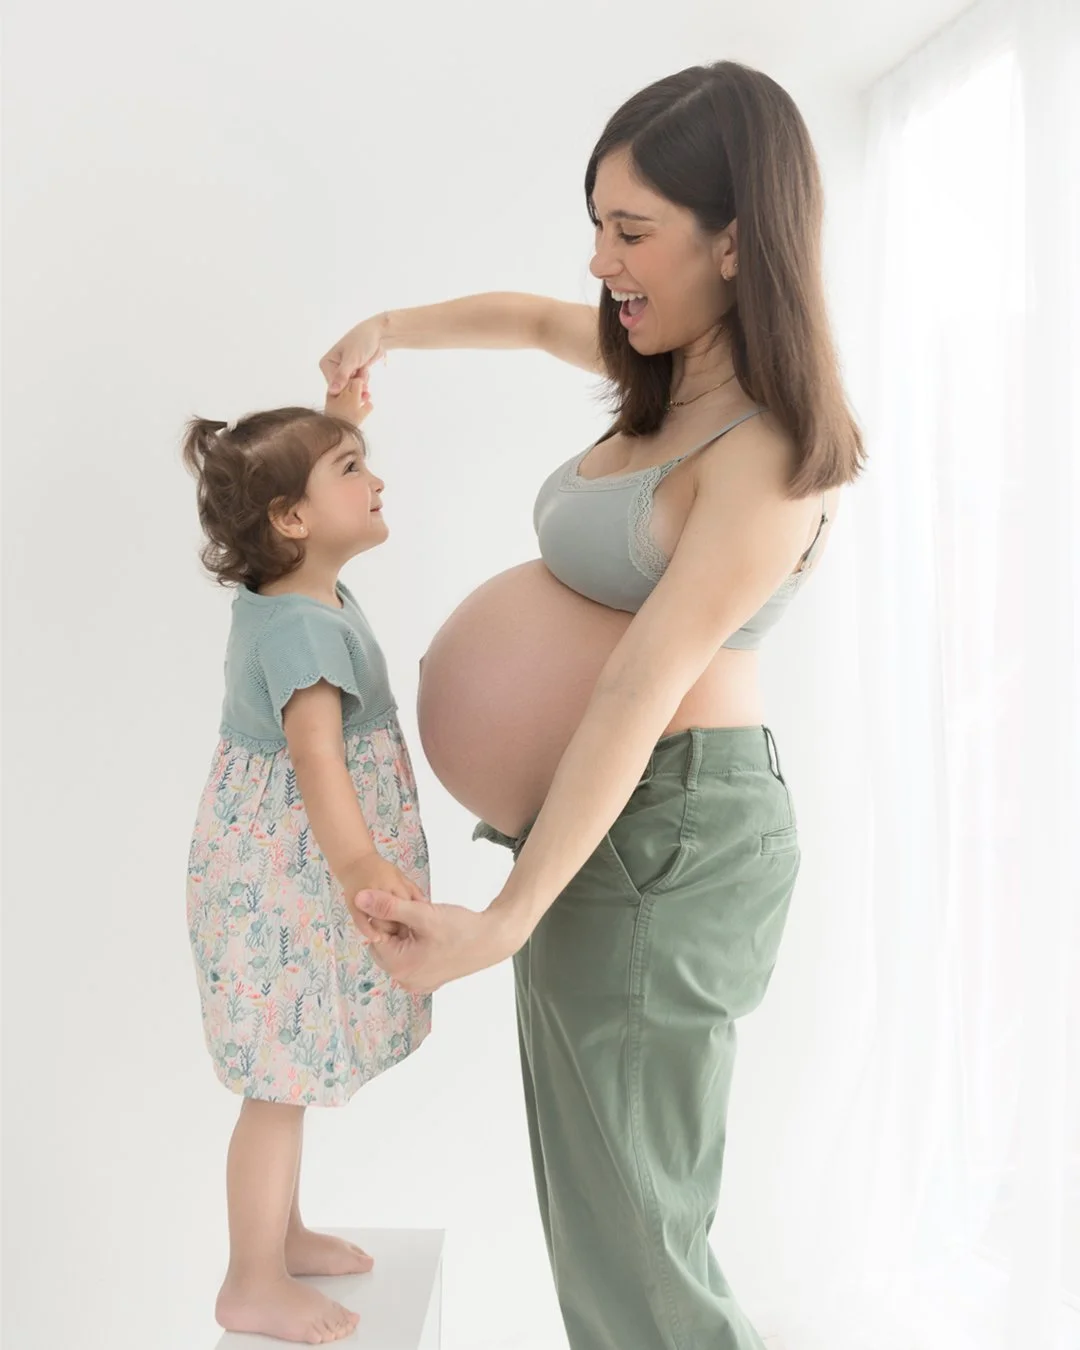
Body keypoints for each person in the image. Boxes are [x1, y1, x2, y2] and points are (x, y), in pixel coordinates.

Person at [322, 60, 864, 1350]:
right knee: (605, 1231)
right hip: (616, 839)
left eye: (633, 231)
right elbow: (524, 316)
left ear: (737, 240)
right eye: (596, 220)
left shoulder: (768, 450)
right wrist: (387, 328)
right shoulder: (670, 373)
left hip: (668, 845)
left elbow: (635, 687)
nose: (600, 261)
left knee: (641, 1249)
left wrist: (507, 919)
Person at [182, 378, 431, 1344]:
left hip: (273, 871)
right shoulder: (301, 630)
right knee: (275, 1091)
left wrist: (340, 417)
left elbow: (307, 484)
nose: (376, 478)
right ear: (292, 519)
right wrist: (360, 860)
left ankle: (278, 1236)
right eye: (353, 469)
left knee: (287, 1069)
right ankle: (251, 1279)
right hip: (281, 877)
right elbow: (319, 759)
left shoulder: (296, 584)